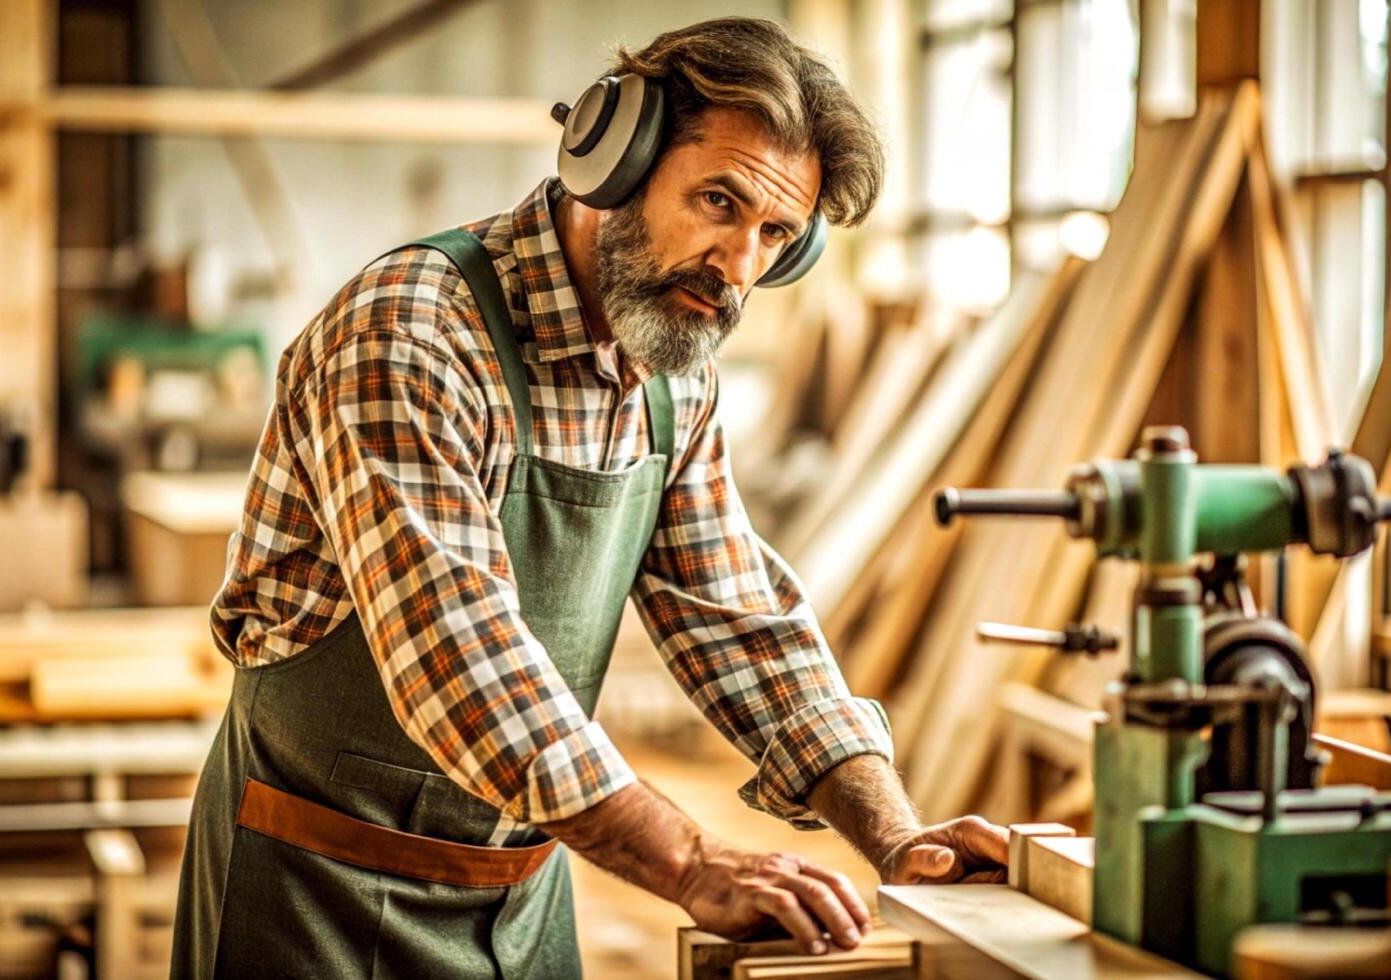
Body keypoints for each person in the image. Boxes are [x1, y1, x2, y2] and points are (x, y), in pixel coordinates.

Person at [172, 17, 1007, 980]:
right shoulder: (409, 334)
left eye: (774, 234)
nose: (738, 269)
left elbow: (739, 622)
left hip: (524, 899)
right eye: (718, 203)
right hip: (317, 896)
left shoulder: (671, 369)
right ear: (611, 158)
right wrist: (690, 861)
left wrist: (898, 838)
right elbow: (457, 656)